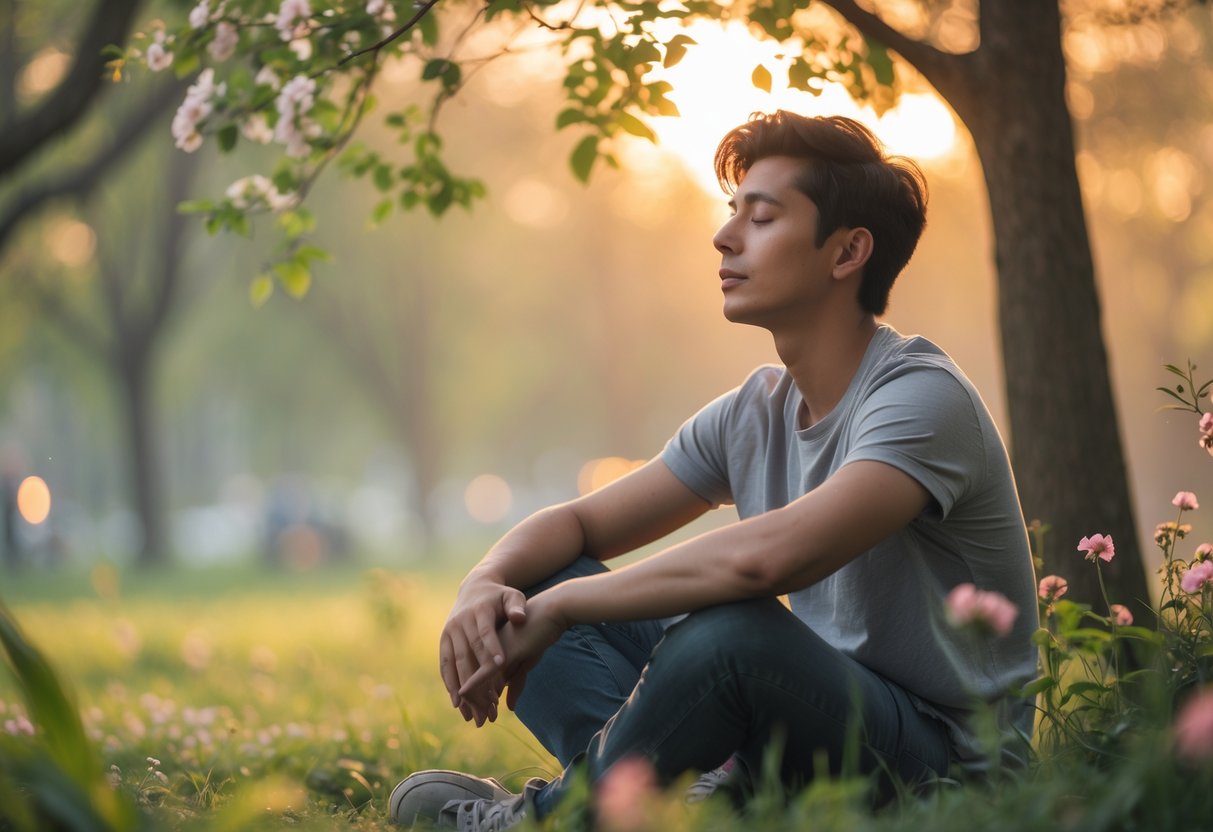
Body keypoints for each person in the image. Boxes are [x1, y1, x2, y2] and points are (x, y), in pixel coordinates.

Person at [389, 110, 1039, 830]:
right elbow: (577, 522)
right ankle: (670, 807)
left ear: (847, 251)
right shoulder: (753, 411)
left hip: (939, 769)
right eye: (731, 213)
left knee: (729, 635)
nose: (723, 237)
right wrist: (486, 585)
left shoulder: (920, 399)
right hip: (806, 734)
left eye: (760, 218)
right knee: (539, 577)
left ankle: (552, 819)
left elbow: (766, 561)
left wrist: (559, 610)